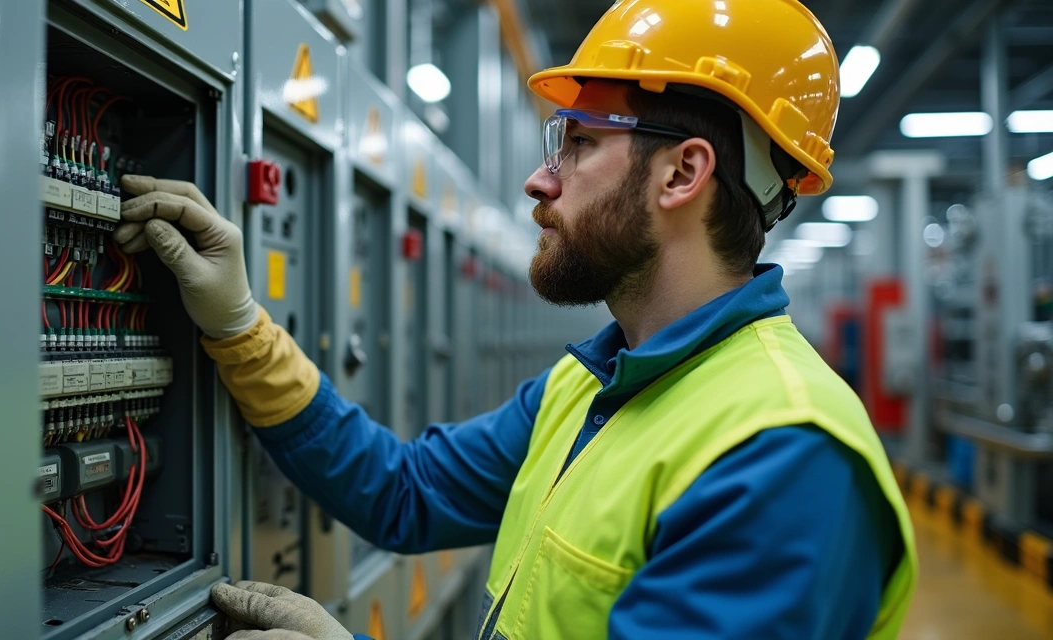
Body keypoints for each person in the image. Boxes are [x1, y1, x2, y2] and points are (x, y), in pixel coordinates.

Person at [112, 0, 917, 638]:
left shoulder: (782, 455)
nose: (539, 179)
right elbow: (405, 491)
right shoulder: (593, 386)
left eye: (577, 142)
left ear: (682, 172)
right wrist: (239, 324)